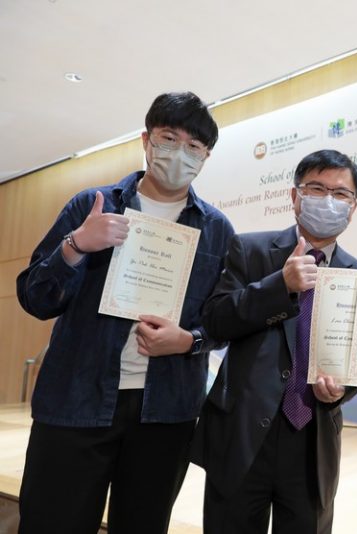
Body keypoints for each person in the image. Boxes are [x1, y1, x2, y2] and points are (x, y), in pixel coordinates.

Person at [16, 91, 234, 533]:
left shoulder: (216, 229)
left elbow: (219, 320)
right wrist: (77, 246)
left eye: (194, 147)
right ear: (146, 140)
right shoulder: (91, 205)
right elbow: (34, 298)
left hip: (165, 412)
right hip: (75, 402)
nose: (180, 154)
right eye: (169, 139)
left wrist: (188, 340)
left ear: (206, 157)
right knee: (51, 522)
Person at [191, 149, 357, 534]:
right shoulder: (250, 249)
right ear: (294, 196)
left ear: (353, 208)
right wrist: (278, 286)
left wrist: (341, 390)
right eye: (316, 189)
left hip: (312, 441)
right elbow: (215, 321)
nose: (328, 200)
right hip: (242, 434)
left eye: (340, 194)